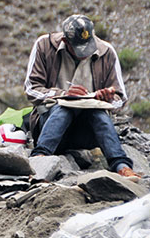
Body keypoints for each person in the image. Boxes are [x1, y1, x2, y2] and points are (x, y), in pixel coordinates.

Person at [24, 14, 140, 181]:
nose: (84, 53)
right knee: (64, 108)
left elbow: (120, 98)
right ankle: (40, 161)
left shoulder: (106, 52)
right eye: (79, 49)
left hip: (89, 131)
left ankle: (122, 167)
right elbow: (31, 89)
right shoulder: (44, 45)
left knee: (97, 113)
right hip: (50, 125)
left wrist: (106, 99)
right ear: (65, 41)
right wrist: (63, 95)